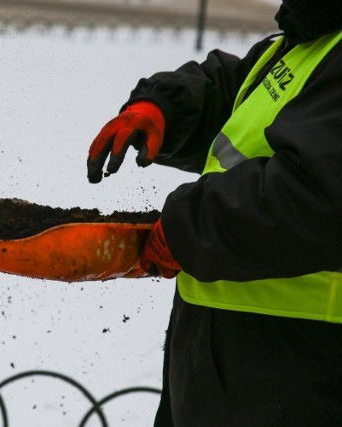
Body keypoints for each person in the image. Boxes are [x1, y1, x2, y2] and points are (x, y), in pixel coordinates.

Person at [86, 1, 342, 425]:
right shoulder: (309, 39)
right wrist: (164, 108)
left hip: (300, 374)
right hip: (226, 363)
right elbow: (237, 92)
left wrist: (188, 227)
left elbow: (316, 195)